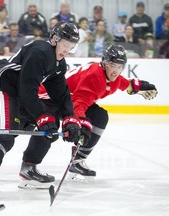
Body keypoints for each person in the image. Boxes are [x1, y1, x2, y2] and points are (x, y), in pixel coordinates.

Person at [0, 22, 83, 198]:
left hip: (14, 94)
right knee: (4, 136)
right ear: (55, 39)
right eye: (65, 45)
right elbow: (27, 91)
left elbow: (61, 96)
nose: (66, 51)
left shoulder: (58, 64)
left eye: (71, 47)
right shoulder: (40, 51)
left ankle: (24, 170)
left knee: (19, 127)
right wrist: (42, 117)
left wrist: (71, 120)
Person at [38, 44, 157, 181]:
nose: (116, 71)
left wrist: (139, 86)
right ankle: (30, 165)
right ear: (105, 63)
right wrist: (81, 122)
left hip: (67, 98)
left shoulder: (110, 76)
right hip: (49, 98)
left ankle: (77, 161)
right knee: (51, 128)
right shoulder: (95, 76)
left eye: (120, 66)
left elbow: (124, 84)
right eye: (113, 65)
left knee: (100, 116)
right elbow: (79, 103)